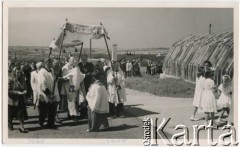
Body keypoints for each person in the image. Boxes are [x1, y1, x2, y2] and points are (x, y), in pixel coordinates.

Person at [37, 58, 58, 129]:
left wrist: (56, 77)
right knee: (44, 110)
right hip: (44, 93)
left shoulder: (51, 70)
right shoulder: (42, 72)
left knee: (52, 109)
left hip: (51, 91)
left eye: (51, 62)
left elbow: (52, 80)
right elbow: (42, 84)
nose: (52, 64)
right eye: (50, 63)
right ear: (46, 63)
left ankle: (50, 123)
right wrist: (48, 93)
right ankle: (41, 122)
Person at [8, 67, 29, 133]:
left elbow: (25, 87)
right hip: (12, 99)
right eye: (17, 72)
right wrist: (17, 92)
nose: (18, 74)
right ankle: (10, 124)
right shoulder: (10, 79)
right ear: (14, 72)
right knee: (10, 114)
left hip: (20, 99)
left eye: (19, 72)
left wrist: (25, 91)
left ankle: (22, 127)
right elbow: (8, 91)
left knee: (21, 113)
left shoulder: (22, 79)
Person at [61, 56, 81, 121]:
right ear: (68, 60)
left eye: (74, 60)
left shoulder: (73, 67)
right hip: (68, 86)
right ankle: (73, 115)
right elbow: (64, 77)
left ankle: (71, 114)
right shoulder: (65, 67)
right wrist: (69, 75)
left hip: (73, 85)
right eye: (72, 60)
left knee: (73, 100)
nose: (73, 61)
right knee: (71, 100)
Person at [78, 54, 94, 118]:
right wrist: (85, 75)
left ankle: (88, 113)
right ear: (81, 59)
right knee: (82, 99)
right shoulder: (79, 65)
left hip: (88, 84)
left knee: (88, 98)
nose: (84, 60)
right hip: (81, 84)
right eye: (83, 59)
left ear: (87, 59)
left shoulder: (90, 65)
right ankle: (82, 113)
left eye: (85, 59)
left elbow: (93, 73)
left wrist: (88, 75)